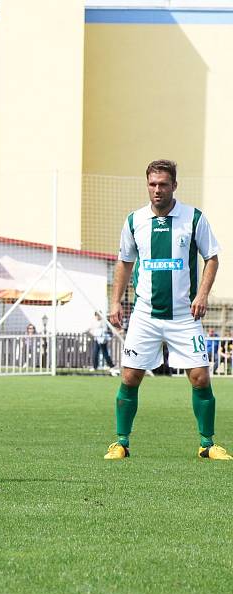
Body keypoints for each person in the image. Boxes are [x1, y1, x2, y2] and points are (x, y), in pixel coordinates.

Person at [104, 159, 231, 460]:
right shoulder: (134, 220)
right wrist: (114, 301)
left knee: (200, 377)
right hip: (144, 315)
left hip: (184, 315)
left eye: (163, 184)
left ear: (175, 185)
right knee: (129, 378)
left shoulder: (194, 218)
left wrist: (202, 295)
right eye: (152, 184)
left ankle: (207, 443)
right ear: (147, 185)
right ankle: (121, 442)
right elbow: (124, 263)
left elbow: (211, 257)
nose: (157, 190)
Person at [88, 311, 119, 375]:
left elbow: (106, 330)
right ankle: (95, 366)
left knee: (105, 353)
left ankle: (111, 366)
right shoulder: (93, 322)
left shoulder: (103, 321)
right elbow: (91, 329)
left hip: (103, 340)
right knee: (95, 353)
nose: (98, 317)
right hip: (97, 339)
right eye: (97, 315)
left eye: (99, 315)